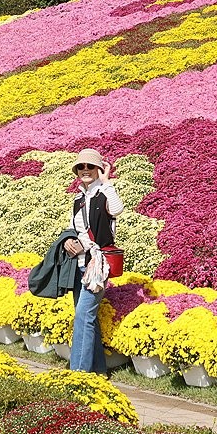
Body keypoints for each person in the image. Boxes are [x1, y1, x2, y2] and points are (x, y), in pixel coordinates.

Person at [65, 148, 124, 373]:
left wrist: (106, 181)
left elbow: (117, 210)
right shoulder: (79, 199)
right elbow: (75, 228)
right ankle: (98, 370)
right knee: (88, 317)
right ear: (77, 171)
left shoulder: (104, 193)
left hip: (98, 265)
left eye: (91, 166)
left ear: (98, 168)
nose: (86, 170)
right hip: (80, 264)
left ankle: (79, 374)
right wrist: (68, 242)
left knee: (83, 316)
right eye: (82, 167)